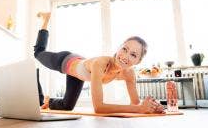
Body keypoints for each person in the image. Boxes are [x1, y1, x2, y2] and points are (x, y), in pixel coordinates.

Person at [34, 12, 164, 114]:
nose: (125, 56)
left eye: (133, 55)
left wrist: (151, 108)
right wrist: (140, 109)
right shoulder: (101, 63)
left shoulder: (129, 73)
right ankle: (45, 20)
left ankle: (47, 101)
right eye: (124, 49)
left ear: (138, 61)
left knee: (67, 106)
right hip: (65, 61)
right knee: (38, 53)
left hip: (79, 74)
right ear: (119, 47)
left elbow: (136, 104)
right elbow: (98, 107)